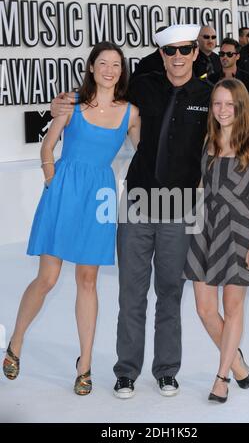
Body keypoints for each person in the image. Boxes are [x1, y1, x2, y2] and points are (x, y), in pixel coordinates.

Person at [50, 25, 249, 400]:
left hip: (182, 208)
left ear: (194, 53)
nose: (177, 57)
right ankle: (126, 372)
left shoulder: (209, 96)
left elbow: (234, 121)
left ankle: (167, 371)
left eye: (185, 50)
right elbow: (102, 94)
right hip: (138, 202)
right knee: (131, 294)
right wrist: (64, 103)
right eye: (169, 51)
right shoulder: (142, 85)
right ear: (161, 53)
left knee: (170, 293)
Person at [2, 41, 140, 395]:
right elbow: (48, 145)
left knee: (88, 281)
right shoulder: (72, 103)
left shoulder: (130, 113)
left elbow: (149, 150)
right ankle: (16, 340)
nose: (110, 70)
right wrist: (52, 179)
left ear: (121, 72)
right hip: (64, 190)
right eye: (103, 63)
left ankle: (85, 364)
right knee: (47, 277)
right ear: (92, 67)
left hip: (100, 195)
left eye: (116, 65)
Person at [183, 78, 249, 403]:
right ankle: (237, 363)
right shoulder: (207, 139)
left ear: (240, 106)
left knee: (232, 308)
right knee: (205, 309)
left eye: (228, 104)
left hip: (239, 230)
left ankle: (221, 377)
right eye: (217, 103)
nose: (222, 110)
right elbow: (198, 188)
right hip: (205, 228)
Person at [208, 38, 249, 120]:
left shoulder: (248, 79)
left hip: (243, 125)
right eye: (222, 54)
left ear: (237, 56)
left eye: (229, 54)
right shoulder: (211, 79)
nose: (225, 57)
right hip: (218, 125)